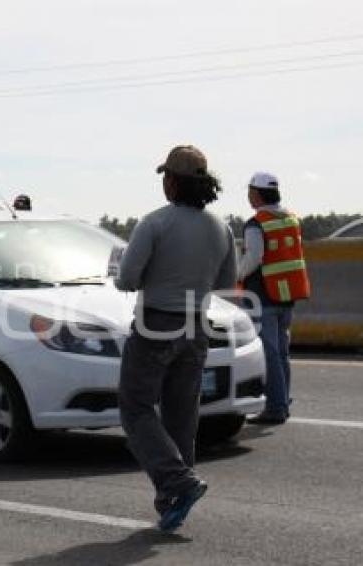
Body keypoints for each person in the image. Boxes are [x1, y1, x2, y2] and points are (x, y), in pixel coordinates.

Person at [115, 145, 236, 533]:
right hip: (197, 326)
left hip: (156, 325)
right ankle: (174, 498)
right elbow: (225, 281)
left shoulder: (154, 223)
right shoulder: (221, 227)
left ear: (172, 181)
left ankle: (178, 482)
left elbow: (127, 279)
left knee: (135, 407)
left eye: (165, 176)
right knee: (182, 413)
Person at [239, 172, 310, 425]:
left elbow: (254, 258)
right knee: (281, 352)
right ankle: (283, 400)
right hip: (286, 294)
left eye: (249, 191)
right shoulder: (290, 218)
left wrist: (236, 274)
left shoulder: (257, 223)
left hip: (264, 294)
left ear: (257, 193)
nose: (248, 196)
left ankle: (276, 407)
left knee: (270, 353)